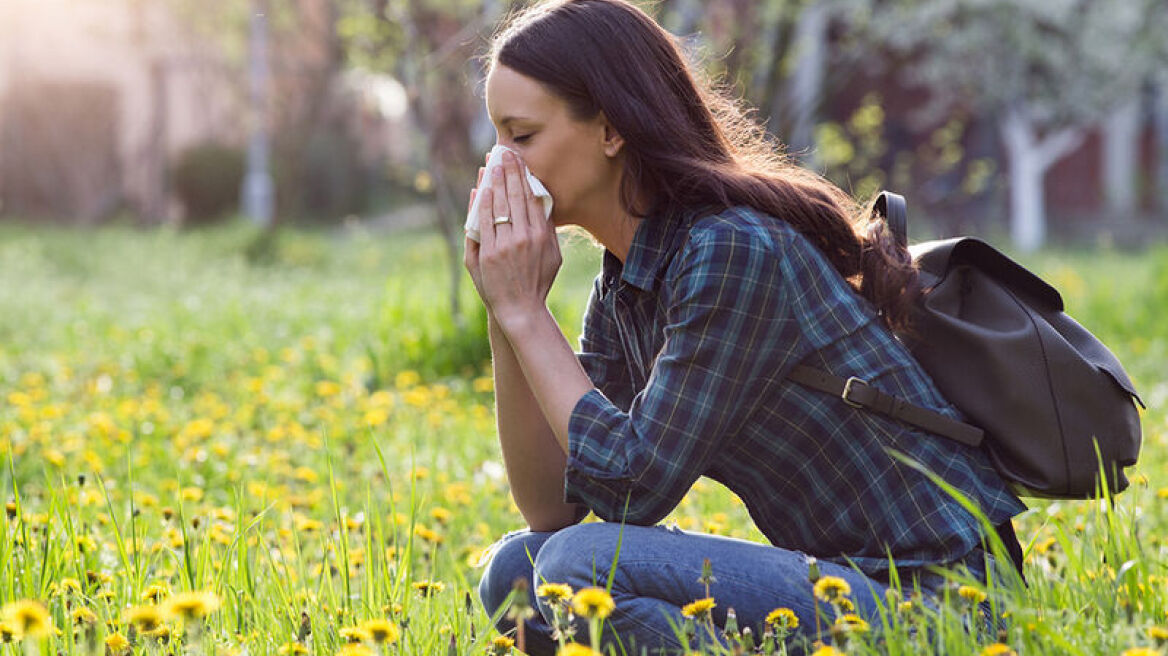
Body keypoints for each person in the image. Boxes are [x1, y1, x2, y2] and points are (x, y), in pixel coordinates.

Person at [463, 0, 1027, 653]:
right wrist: (505, 316)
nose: (499, 165)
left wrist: (528, 313)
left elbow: (631, 489)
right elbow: (553, 508)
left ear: (610, 130)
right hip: (845, 589)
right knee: (518, 572)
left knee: (575, 570)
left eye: (521, 135)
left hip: (944, 609)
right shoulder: (628, 282)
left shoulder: (730, 250)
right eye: (496, 138)